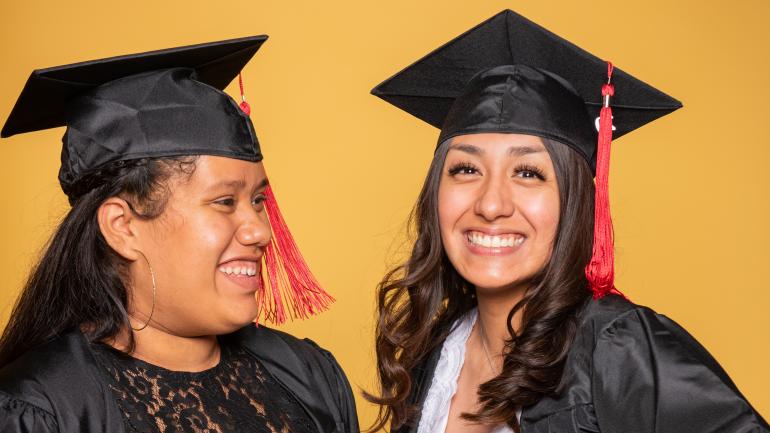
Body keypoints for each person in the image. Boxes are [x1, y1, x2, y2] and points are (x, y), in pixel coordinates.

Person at [365, 10, 769, 433]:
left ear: (574, 201)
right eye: (466, 169)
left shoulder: (615, 348)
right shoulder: (435, 355)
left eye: (528, 173)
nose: (490, 204)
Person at [0, 36, 358, 433]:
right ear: (123, 227)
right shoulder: (44, 408)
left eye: (258, 200)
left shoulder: (308, 377)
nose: (261, 230)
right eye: (225, 201)